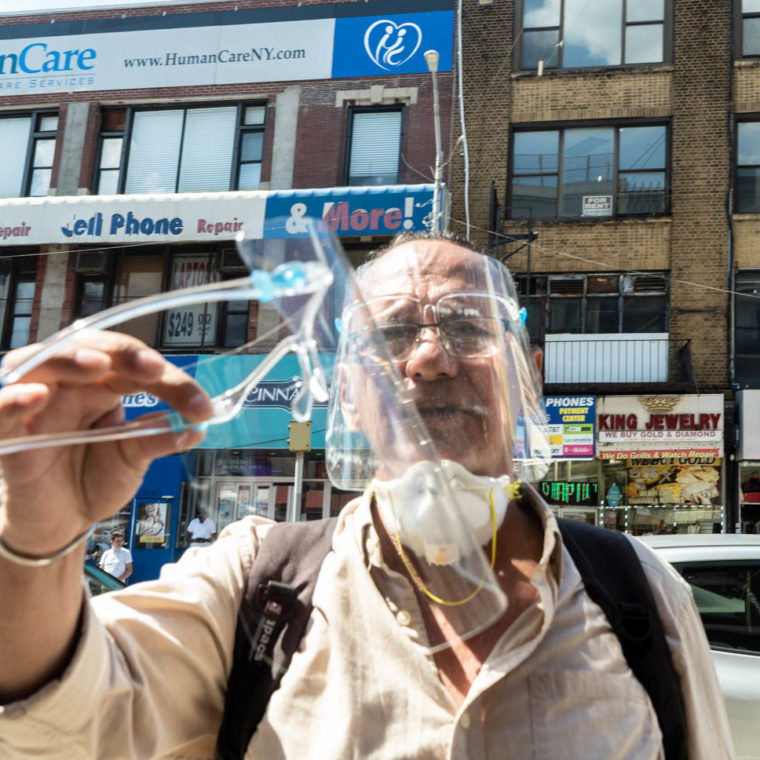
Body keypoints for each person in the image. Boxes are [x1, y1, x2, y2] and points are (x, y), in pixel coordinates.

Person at [0, 235, 733, 758]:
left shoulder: (638, 591)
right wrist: (35, 539)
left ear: (525, 374)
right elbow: (60, 727)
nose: (430, 358)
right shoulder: (258, 585)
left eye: (468, 327)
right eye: (391, 337)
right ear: (348, 392)